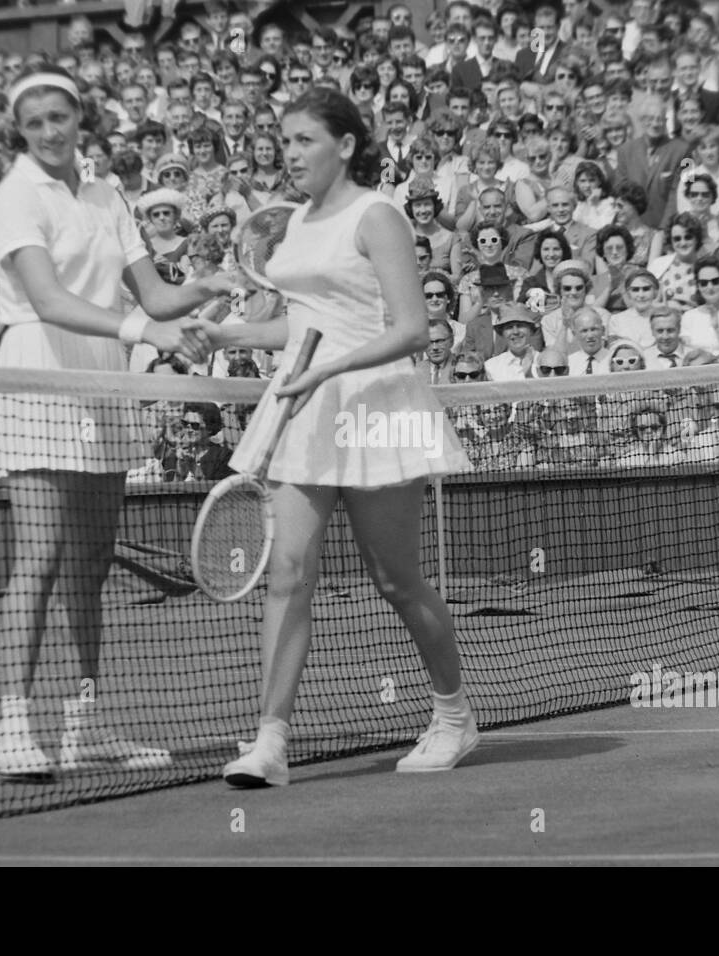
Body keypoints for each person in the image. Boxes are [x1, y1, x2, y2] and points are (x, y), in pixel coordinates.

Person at [200, 88, 477, 787]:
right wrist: (227, 332)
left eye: (303, 140)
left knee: (395, 579)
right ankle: (270, 743)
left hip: (377, 406)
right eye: (282, 140)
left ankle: (453, 717)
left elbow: (411, 328)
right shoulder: (291, 224)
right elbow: (298, 324)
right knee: (289, 574)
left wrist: (327, 368)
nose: (288, 153)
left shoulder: (377, 214)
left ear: (346, 146)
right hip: (305, 406)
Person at [0, 67, 237, 782]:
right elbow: (51, 300)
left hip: (104, 378)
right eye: (35, 122)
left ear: (79, 117)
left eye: (59, 116)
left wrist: (202, 291)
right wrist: (145, 332)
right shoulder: (12, 200)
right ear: (21, 130)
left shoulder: (103, 194)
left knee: (90, 566)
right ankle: (15, 725)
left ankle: (84, 724)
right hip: (38, 371)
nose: (50, 130)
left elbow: (153, 295)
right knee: (40, 555)